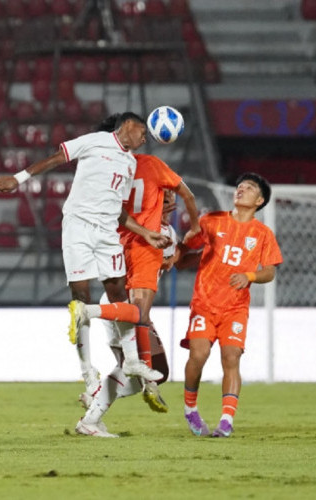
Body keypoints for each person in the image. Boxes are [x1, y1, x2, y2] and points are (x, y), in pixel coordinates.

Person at [0, 112, 170, 437]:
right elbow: (56, 158)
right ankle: (88, 372)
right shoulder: (95, 141)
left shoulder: (130, 164)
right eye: (143, 130)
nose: (146, 137)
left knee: (117, 291)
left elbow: (119, 210)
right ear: (127, 125)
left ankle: (130, 361)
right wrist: (18, 179)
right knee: (81, 296)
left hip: (107, 231)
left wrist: (145, 233)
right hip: (78, 225)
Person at [74, 113, 201, 420]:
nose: (168, 201)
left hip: (113, 294)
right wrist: (192, 228)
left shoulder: (111, 179)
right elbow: (182, 195)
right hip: (123, 306)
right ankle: (102, 400)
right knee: (143, 367)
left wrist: (180, 253)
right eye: (165, 196)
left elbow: (178, 259)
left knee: (151, 370)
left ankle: (93, 407)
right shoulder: (147, 174)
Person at [176, 172, 282, 438]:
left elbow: (269, 272)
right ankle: (190, 409)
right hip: (204, 302)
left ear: (259, 201)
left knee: (231, 357)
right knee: (198, 355)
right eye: (240, 186)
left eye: (248, 188)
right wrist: (177, 251)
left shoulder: (263, 234)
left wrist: (248, 276)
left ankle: (226, 420)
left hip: (235, 308)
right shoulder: (211, 221)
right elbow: (189, 248)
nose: (241, 189)